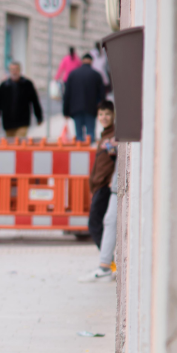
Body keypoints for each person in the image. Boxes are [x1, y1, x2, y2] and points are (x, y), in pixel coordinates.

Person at [82, 101, 118, 282]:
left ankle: (109, 263)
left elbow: (116, 156)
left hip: (105, 186)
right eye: (101, 114)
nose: (104, 117)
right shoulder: (105, 135)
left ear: (114, 116)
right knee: (101, 224)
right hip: (99, 186)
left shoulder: (113, 137)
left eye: (107, 114)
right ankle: (109, 263)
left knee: (95, 224)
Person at [0, 61, 44, 138]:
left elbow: (35, 101)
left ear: (20, 70)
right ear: (9, 71)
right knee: (10, 145)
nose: (14, 72)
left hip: (23, 122)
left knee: (19, 142)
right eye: (12, 70)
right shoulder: (4, 86)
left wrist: (39, 117)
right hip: (8, 122)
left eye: (16, 69)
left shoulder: (27, 84)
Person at [62, 53, 106, 144]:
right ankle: (91, 156)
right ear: (91, 61)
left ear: (82, 61)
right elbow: (102, 95)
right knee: (90, 136)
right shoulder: (96, 75)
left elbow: (67, 94)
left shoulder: (73, 74)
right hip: (91, 109)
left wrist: (65, 111)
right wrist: (102, 109)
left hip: (76, 110)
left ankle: (79, 155)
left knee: (79, 136)